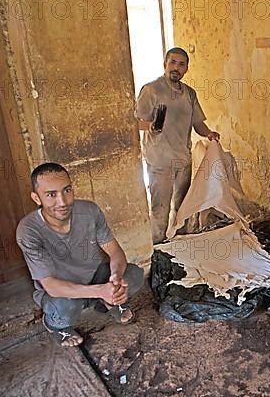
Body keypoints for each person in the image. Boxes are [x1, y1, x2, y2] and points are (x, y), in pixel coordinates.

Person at [16, 163, 144, 347]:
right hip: (62, 291)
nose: (63, 201)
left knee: (133, 275)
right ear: (36, 198)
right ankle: (53, 325)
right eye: (51, 195)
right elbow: (51, 286)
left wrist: (115, 278)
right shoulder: (28, 230)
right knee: (65, 309)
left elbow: (115, 251)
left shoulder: (89, 211)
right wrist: (101, 290)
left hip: (93, 278)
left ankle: (105, 301)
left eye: (66, 190)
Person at [135, 46, 220, 244]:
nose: (176, 67)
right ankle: (157, 246)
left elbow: (197, 123)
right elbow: (135, 122)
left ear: (186, 69)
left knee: (183, 207)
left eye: (181, 64)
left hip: (182, 159)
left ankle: (180, 246)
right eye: (172, 62)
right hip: (159, 161)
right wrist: (151, 126)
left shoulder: (189, 94)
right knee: (160, 208)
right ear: (165, 64)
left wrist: (209, 134)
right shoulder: (151, 90)